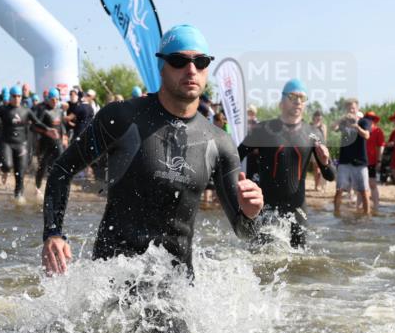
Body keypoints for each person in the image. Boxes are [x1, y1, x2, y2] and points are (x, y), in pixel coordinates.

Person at [42, 24, 264, 275]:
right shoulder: (121, 118)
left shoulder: (219, 142)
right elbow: (62, 169)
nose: (191, 69)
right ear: (162, 66)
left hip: (177, 291)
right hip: (112, 283)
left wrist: (251, 213)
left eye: (200, 62)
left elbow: (246, 232)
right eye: (179, 61)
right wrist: (53, 233)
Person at [239, 78, 335, 248]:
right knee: (260, 257)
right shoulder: (263, 130)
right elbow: (235, 157)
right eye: (292, 96)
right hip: (265, 206)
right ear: (282, 102)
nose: (298, 101)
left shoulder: (313, 134)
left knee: (299, 260)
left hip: (298, 209)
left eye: (302, 98)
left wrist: (325, 162)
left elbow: (330, 175)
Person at [0, 88, 50, 201]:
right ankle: (5, 171)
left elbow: (37, 122)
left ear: (21, 97)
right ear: (10, 97)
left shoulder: (26, 110)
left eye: (19, 96)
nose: (16, 98)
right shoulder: (3, 110)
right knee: (7, 165)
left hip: (21, 144)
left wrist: (48, 129)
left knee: (20, 173)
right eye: (14, 96)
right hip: (7, 142)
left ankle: (18, 196)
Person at [333, 98, 372, 215]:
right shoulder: (343, 122)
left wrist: (356, 126)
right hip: (344, 161)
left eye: (353, 108)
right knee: (339, 190)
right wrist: (341, 119)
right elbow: (333, 128)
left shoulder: (364, 121)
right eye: (349, 108)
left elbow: (366, 135)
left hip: (360, 161)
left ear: (357, 109)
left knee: (364, 191)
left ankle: (367, 216)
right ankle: (336, 214)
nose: (351, 110)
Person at [33, 87, 67, 194]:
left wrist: (65, 136)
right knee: (42, 167)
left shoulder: (60, 111)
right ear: (48, 99)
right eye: (53, 99)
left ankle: (59, 186)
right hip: (45, 144)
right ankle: (37, 187)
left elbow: (61, 125)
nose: (55, 101)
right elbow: (35, 126)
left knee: (61, 163)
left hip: (57, 143)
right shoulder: (44, 111)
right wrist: (46, 131)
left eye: (57, 99)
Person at [364, 111, 385, 206]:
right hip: (361, 161)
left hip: (372, 161)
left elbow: (381, 146)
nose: (370, 120)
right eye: (368, 118)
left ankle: (376, 206)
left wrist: (379, 161)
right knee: (362, 185)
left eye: (372, 118)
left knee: (372, 183)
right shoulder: (362, 130)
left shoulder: (378, 131)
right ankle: (361, 207)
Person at [310, 110, 328, 191]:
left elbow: (324, 138)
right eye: (317, 116)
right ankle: (316, 185)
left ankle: (321, 185)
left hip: (321, 148)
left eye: (320, 116)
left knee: (321, 168)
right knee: (316, 168)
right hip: (313, 149)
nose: (319, 118)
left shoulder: (323, 126)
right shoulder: (310, 125)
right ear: (314, 117)